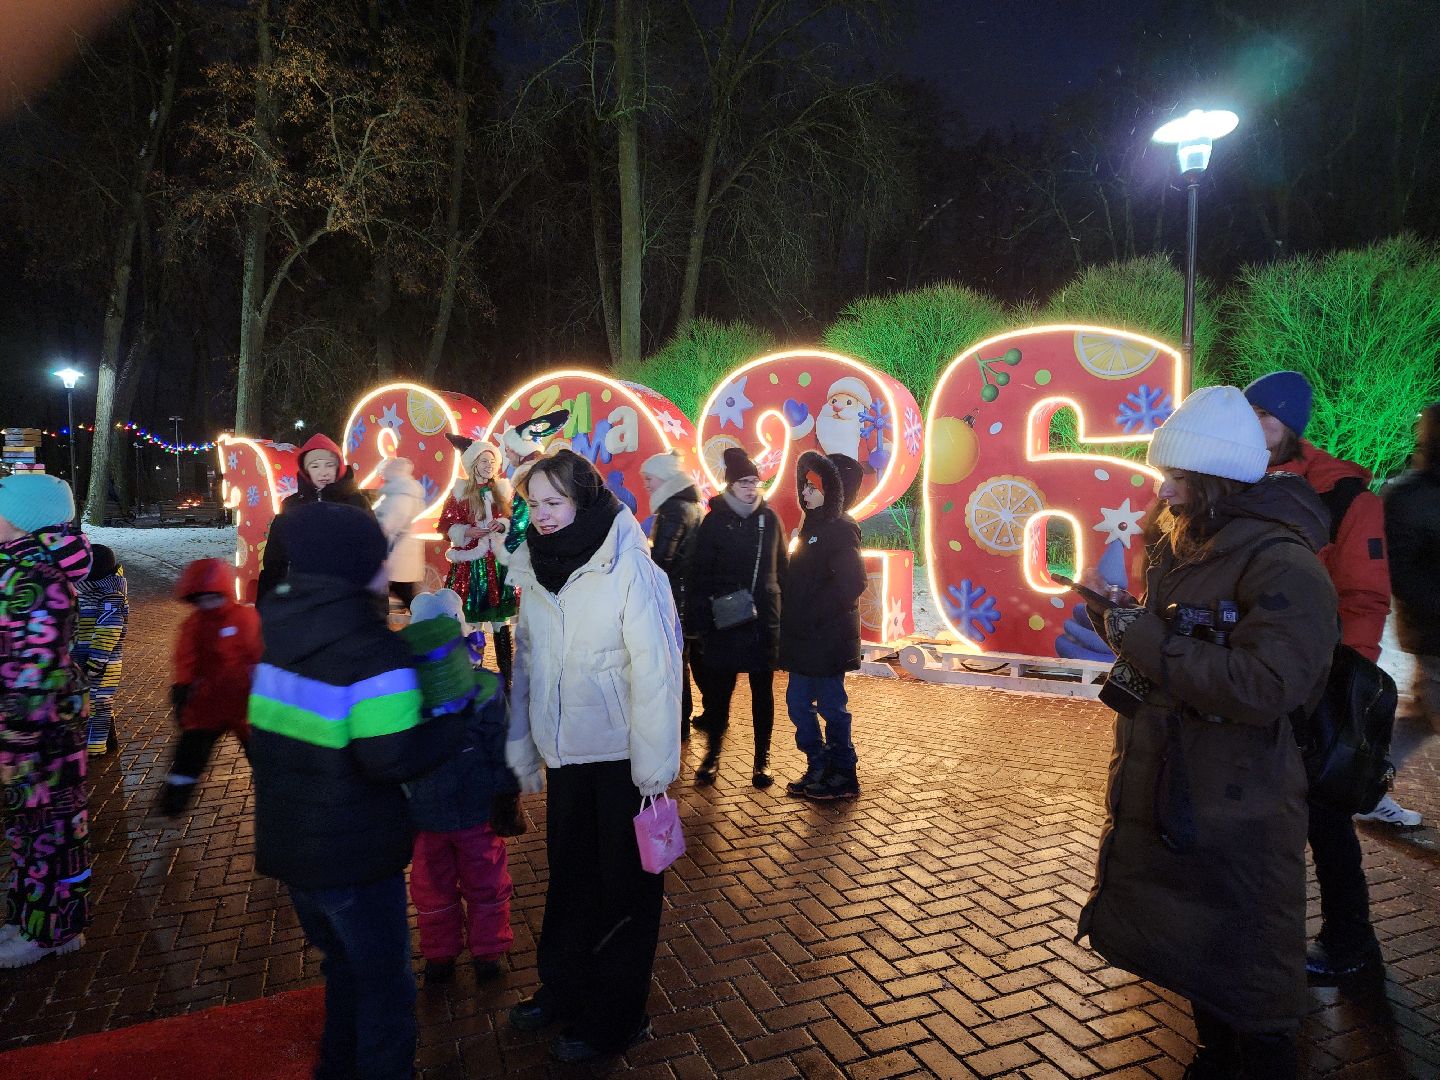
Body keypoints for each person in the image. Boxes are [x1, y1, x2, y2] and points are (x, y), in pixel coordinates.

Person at [1076, 386, 1339, 1079]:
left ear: (1220, 482)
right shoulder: (1181, 541)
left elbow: (1269, 686)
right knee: (1196, 952)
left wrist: (1151, 644)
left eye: (1181, 477)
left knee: (1252, 959)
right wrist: (1124, 637)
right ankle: (1214, 1057)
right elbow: (1173, 644)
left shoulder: (1282, 562)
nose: (1165, 490)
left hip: (1243, 800)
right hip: (1180, 783)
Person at [249, 503, 463, 1080]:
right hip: (356, 855)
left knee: (344, 973)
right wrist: (450, 714)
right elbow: (392, 757)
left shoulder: (276, 631)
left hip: (293, 849)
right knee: (385, 995)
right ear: (359, 564)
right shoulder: (372, 651)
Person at [503, 450, 681, 1064]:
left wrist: (654, 773)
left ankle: (616, 1014)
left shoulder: (631, 568)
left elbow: (657, 673)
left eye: (555, 502)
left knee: (625, 892)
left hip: (624, 761)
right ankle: (565, 988)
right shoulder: (536, 566)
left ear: (583, 499)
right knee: (570, 879)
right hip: (568, 756)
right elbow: (526, 661)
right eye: (534, 504)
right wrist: (523, 744)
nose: (543, 516)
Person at [1243, 371, 1411, 985]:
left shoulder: (1346, 497)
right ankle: (1266, 937)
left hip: (1317, 683)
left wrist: (1342, 683)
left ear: (1291, 425)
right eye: (1246, 414)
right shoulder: (1239, 480)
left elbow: (1365, 598)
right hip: (1258, 678)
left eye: (1264, 415)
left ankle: (1351, 942)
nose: (1252, 427)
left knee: (1324, 816)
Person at [399, 595, 517, 985]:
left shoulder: (403, 697)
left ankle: (443, 955)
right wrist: (506, 794)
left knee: (433, 889)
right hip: (472, 810)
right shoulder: (485, 693)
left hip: (431, 815)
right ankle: (484, 952)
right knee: (482, 883)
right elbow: (502, 747)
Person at [0, 474, 91, 968]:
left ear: (23, 520)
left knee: (48, 837)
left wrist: (15, 739)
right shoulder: (17, 568)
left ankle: (50, 932)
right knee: (28, 834)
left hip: (41, 740)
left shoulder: (38, 579)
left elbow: (37, 671)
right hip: (28, 735)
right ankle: (30, 920)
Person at [686, 447, 787, 788]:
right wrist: (700, 623)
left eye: (755, 481)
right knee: (719, 694)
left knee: (763, 692)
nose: (750, 487)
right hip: (726, 620)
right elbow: (699, 575)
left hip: (763, 620)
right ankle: (712, 755)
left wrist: (785, 620)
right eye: (743, 481)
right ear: (729, 485)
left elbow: (782, 570)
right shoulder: (714, 521)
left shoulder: (769, 519)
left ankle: (763, 760)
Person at [779, 452, 867, 801]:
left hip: (828, 640)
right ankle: (818, 765)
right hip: (805, 640)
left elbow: (852, 584)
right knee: (798, 705)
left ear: (832, 490)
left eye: (812, 486)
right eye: (803, 485)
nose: (804, 493)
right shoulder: (812, 526)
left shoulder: (841, 529)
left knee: (831, 707)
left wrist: (813, 614)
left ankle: (843, 772)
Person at [159, 558, 262, 818]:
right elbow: (186, 658)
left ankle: (279, 799)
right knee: (190, 754)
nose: (206, 605)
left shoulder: (245, 618)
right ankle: (175, 801)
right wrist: (182, 689)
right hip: (207, 703)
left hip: (244, 702)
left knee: (264, 756)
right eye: (200, 600)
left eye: (211, 598)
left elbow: (258, 652)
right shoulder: (194, 624)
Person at [439, 437, 523, 685]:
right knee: (471, 622)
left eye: (493, 461)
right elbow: (445, 525)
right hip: (470, 567)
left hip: (496, 566)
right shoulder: (460, 492)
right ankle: (472, 676)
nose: (489, 465)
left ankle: (506, 678)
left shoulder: (503, 492)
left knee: (500, 622)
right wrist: (465, 531)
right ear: (473, 463)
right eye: (484, 460)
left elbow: (516, 521)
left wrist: (503, 524)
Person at [256, 432, 372, 602]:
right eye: (315, 466)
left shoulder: (357, 503)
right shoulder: (292, 505)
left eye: (329, 465)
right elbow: (275, 559)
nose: (323, 472)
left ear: (338, 466)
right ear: (306, 469)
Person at [1385, 402, 1440, 734]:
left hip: (1429, 633)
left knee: (1418, 720)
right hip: (1432, 634)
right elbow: (1400, 571)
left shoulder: (1412, 494)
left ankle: (1366, 775)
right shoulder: (1412, 496)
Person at [640, 449, 703, 740]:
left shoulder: (673, 509)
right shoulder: (688, 505)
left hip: (674, 597)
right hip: (687, 595)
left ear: (664, 478)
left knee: (672, 659)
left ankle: (677, 722)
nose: (646, 485)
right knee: (681, 659)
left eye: (649, 478)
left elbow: (663, 558)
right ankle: (683, 719)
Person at [75, 543, 128, 756]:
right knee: (96, 702)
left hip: (102, 661)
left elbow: (109, 630)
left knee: (98, 704)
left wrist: (96, 662)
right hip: (85, 659)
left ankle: (96, 748)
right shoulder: (87, 590)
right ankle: (108, 738)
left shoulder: (110, 595)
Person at [373, 456, 427, 609]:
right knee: (402, 592)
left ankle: (422, 622)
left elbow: (388, 523)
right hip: (401, 551)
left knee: (395, 591)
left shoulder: (398, 497)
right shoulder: (404, 494)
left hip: (396, 552)